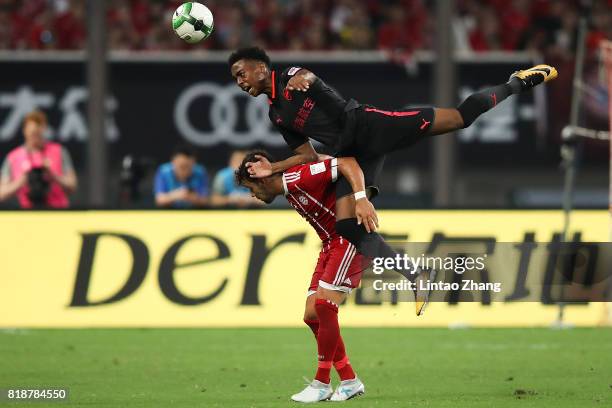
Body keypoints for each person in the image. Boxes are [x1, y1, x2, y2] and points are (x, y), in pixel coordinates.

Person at [228, 46, 558, 272]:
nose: (240, 83)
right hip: (351, 153)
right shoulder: (276, 116)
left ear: (260, 68)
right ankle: (413, 275)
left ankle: (517, 82)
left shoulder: (290, 76)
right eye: (236, 79)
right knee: (347, 227)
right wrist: (274, 167)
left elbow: (309, 77)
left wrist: (308, 79)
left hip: (369, 126)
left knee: (459, 118)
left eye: (242, 74)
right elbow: (307, 156)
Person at [235, 150, 435, 403]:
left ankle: (322, 382)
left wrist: (361, 198)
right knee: (311, 315)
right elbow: (319, 158)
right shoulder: (292, 184)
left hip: (346, 241)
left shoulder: (298, 178)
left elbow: (347, 162)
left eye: (250, 188)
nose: (252, 195)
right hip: (330, 244)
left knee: (324, 305)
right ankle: (349, 380)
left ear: (262, 179)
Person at [0, 110, 77, 209]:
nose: (35, 138)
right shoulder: (13, 157)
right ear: (25, 131)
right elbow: (1, 193)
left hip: (58, 212)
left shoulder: (59, 152)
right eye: (32, 134)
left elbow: (72, 185)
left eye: (38, 134)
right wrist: (22, 181)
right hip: (28, 214)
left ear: (44, 130)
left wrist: (53, 176)